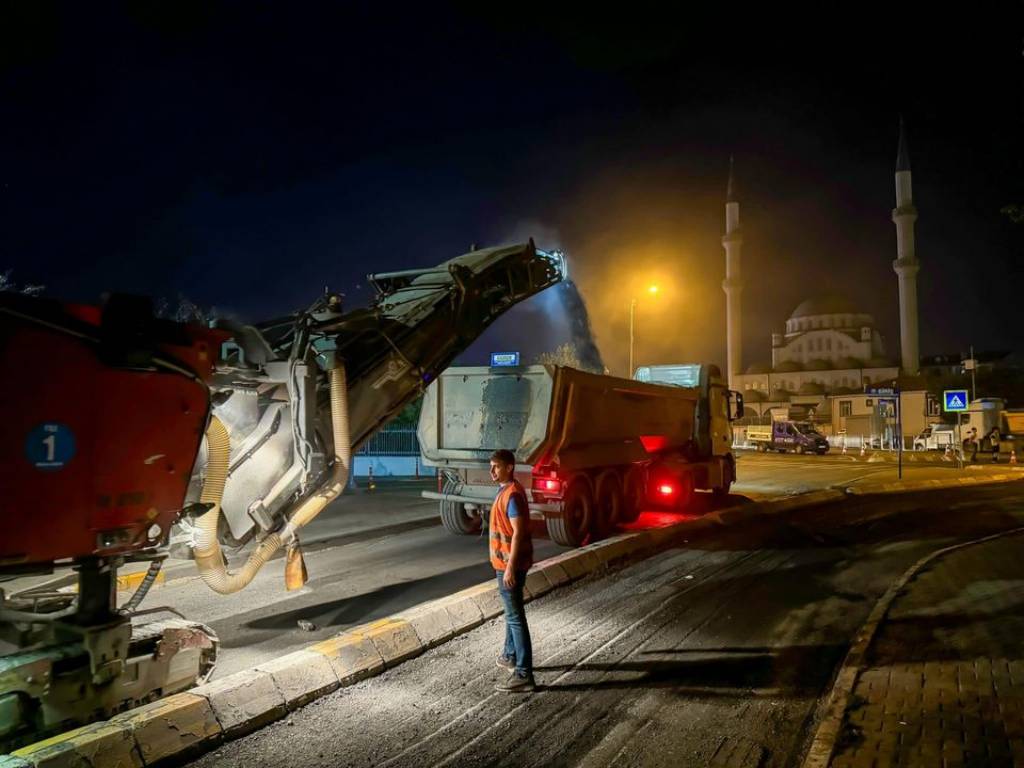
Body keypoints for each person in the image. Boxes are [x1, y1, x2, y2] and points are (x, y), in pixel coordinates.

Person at [488, 449, 535, 693]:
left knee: (516, 617)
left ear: (509, 467)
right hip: (505, 564)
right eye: (491, 466)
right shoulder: (507, 490)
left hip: (509, 565)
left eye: (496, 466)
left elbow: (518, 533)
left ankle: (524, 673)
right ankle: (510, 655)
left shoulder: (513, 496)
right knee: (511, 612)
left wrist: (510, 568)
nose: (492, 471)